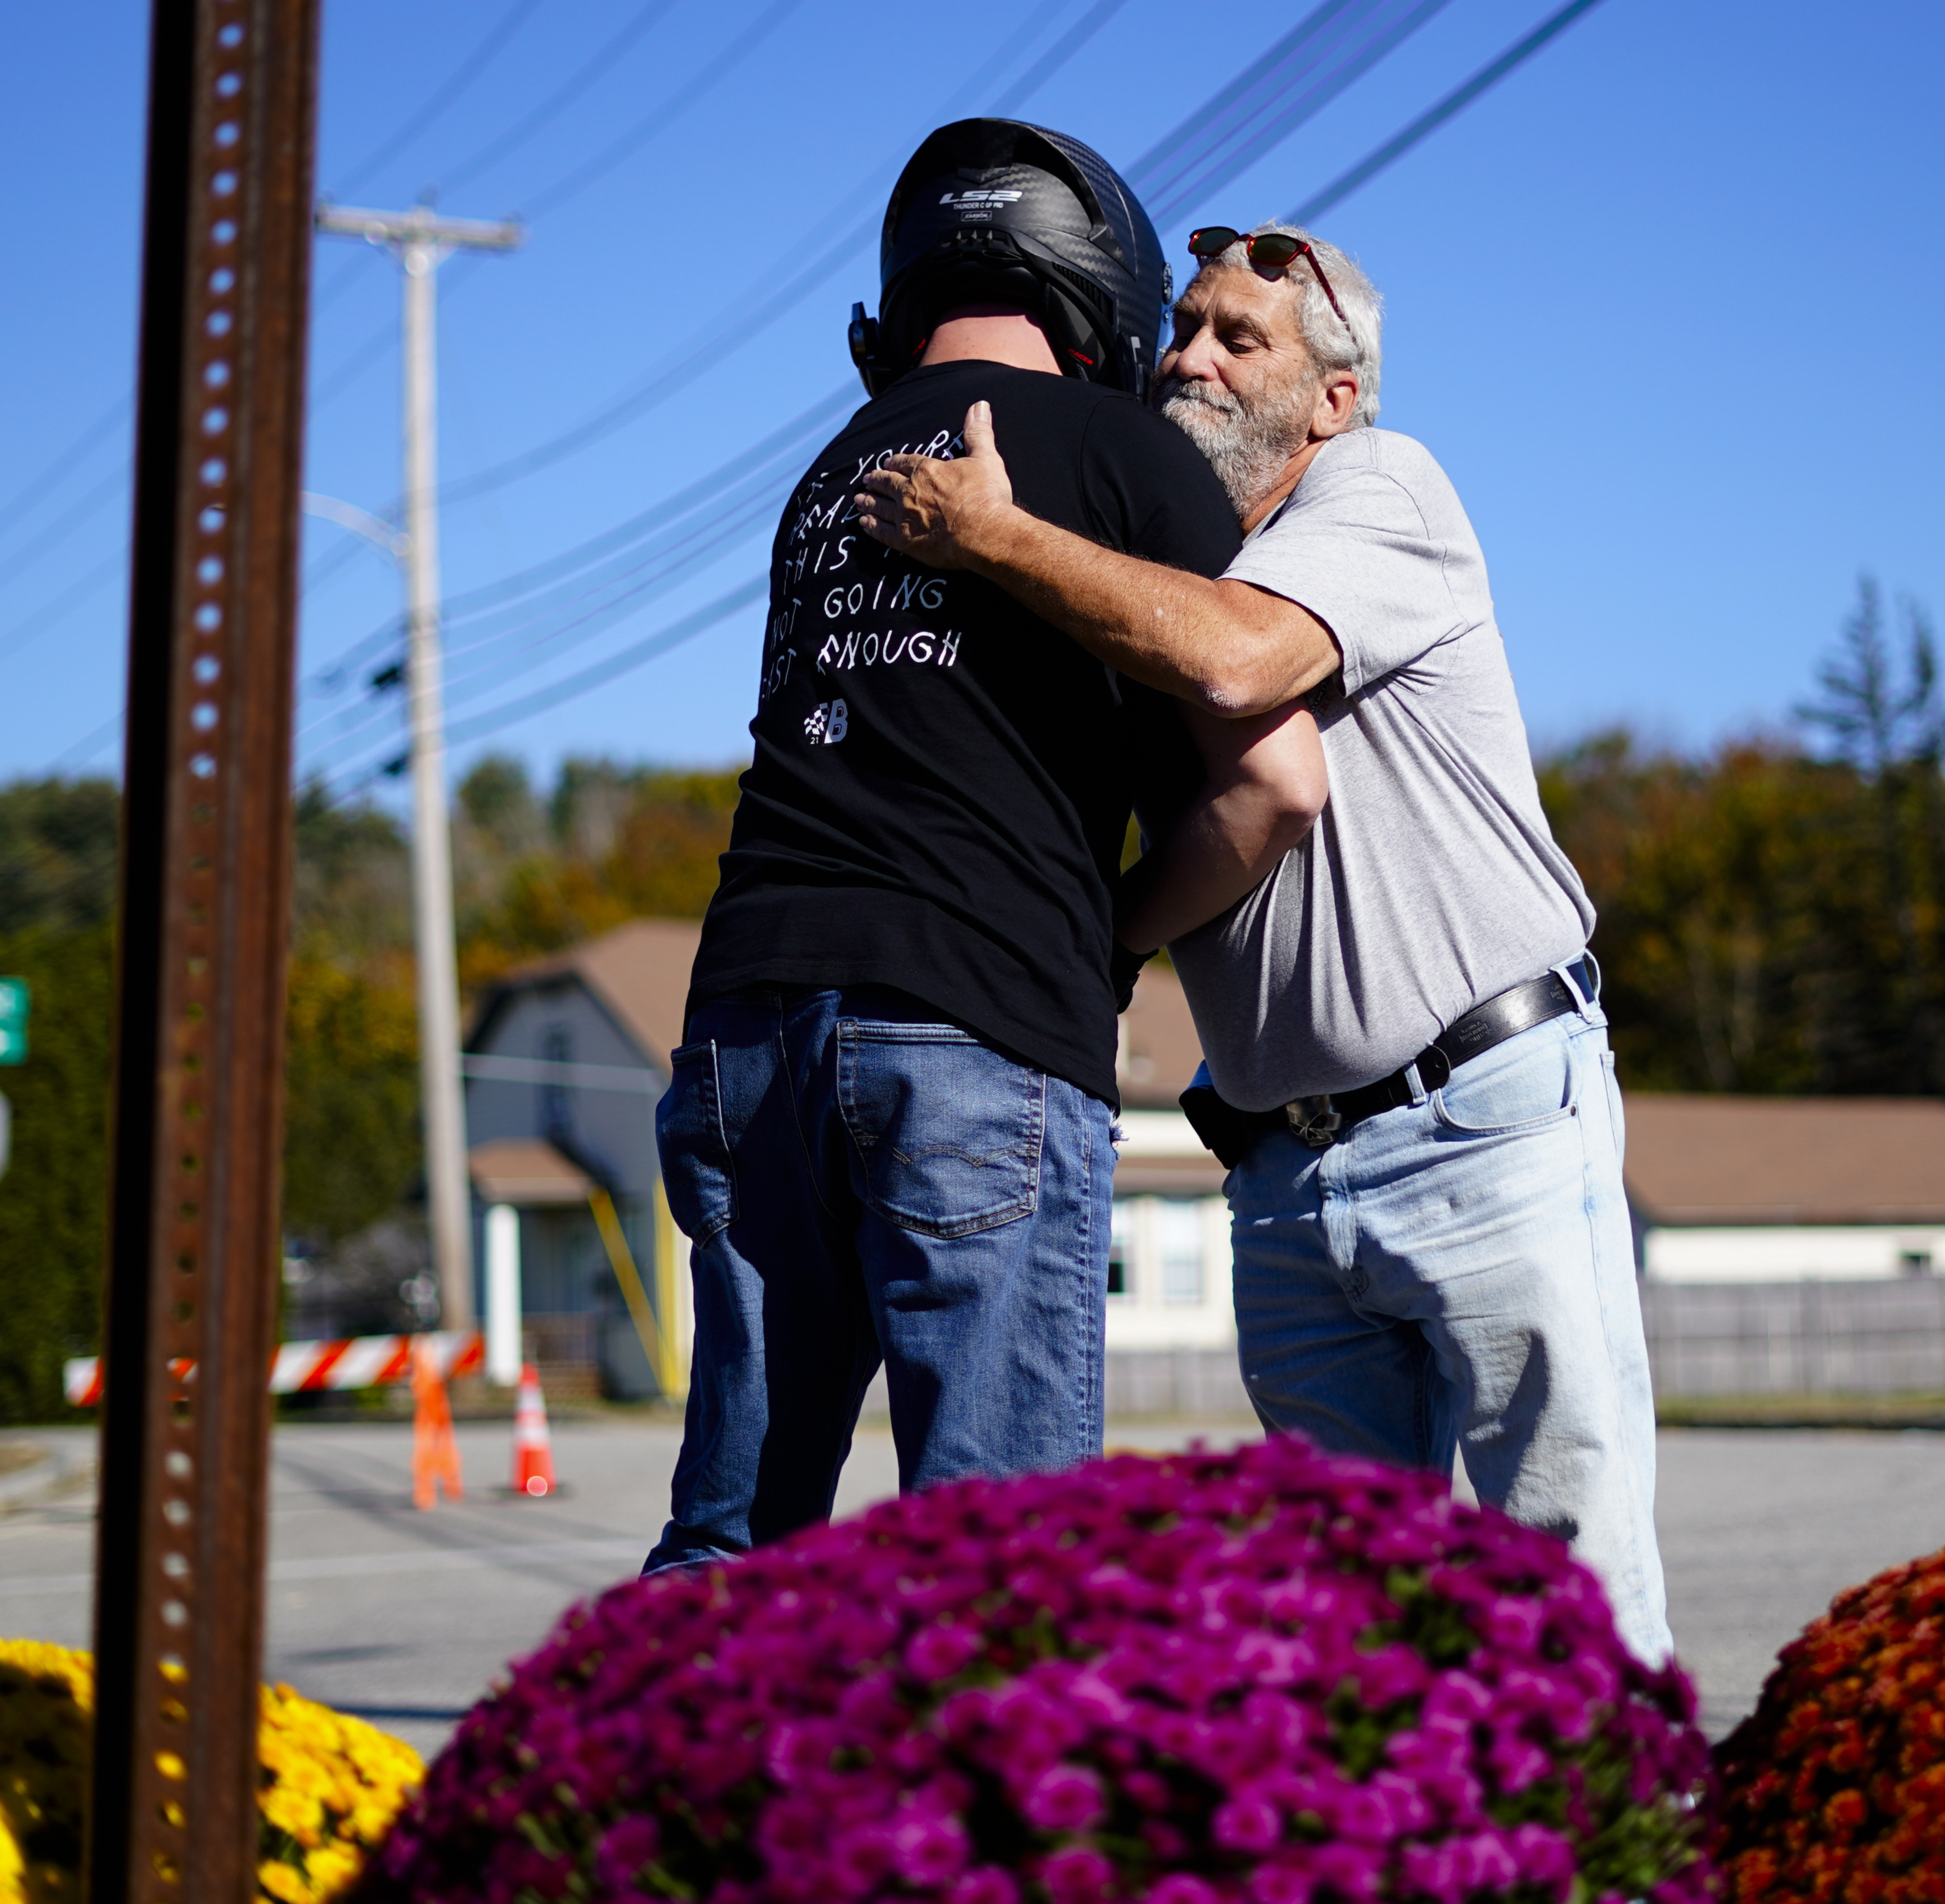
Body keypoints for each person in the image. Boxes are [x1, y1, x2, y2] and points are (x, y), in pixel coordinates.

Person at [853, 222, 1671, 1662]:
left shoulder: (1383, 491)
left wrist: (990, 535)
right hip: (1287, 1178)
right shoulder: (1159, 571)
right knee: (1360, 1642)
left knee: (1571, 1593)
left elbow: (1238, 661)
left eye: (1243, 338)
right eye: (1184, 328)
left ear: (1333, 401)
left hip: (1480, 1118)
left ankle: (1641, 1884)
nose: (1189, 358)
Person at [646, 123, 1325, 1571]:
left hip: (746, 1025)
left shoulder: (829, 472)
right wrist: (1116, 940)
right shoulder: (1122, 449)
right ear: (1105, 295)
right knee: (996, 1570)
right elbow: (1274, 782)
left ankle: (673, 1800)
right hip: (973, 1024)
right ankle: (971, 1811)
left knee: (731, 1544)